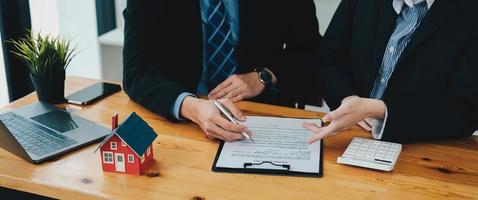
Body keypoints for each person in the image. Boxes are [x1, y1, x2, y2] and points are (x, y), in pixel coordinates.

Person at [123, 0, 322, 142]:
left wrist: (263, 76)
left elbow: (312, 52)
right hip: (185, 123)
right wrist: (191, 106)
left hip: (261, 118)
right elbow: (137, 71)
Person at [305, 0, 478, 143]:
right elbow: (328, 60)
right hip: (348, 133)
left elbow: (465, 110)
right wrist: (347, 100)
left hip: (420, 148)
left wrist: (378, 110)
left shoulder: (470, 13)